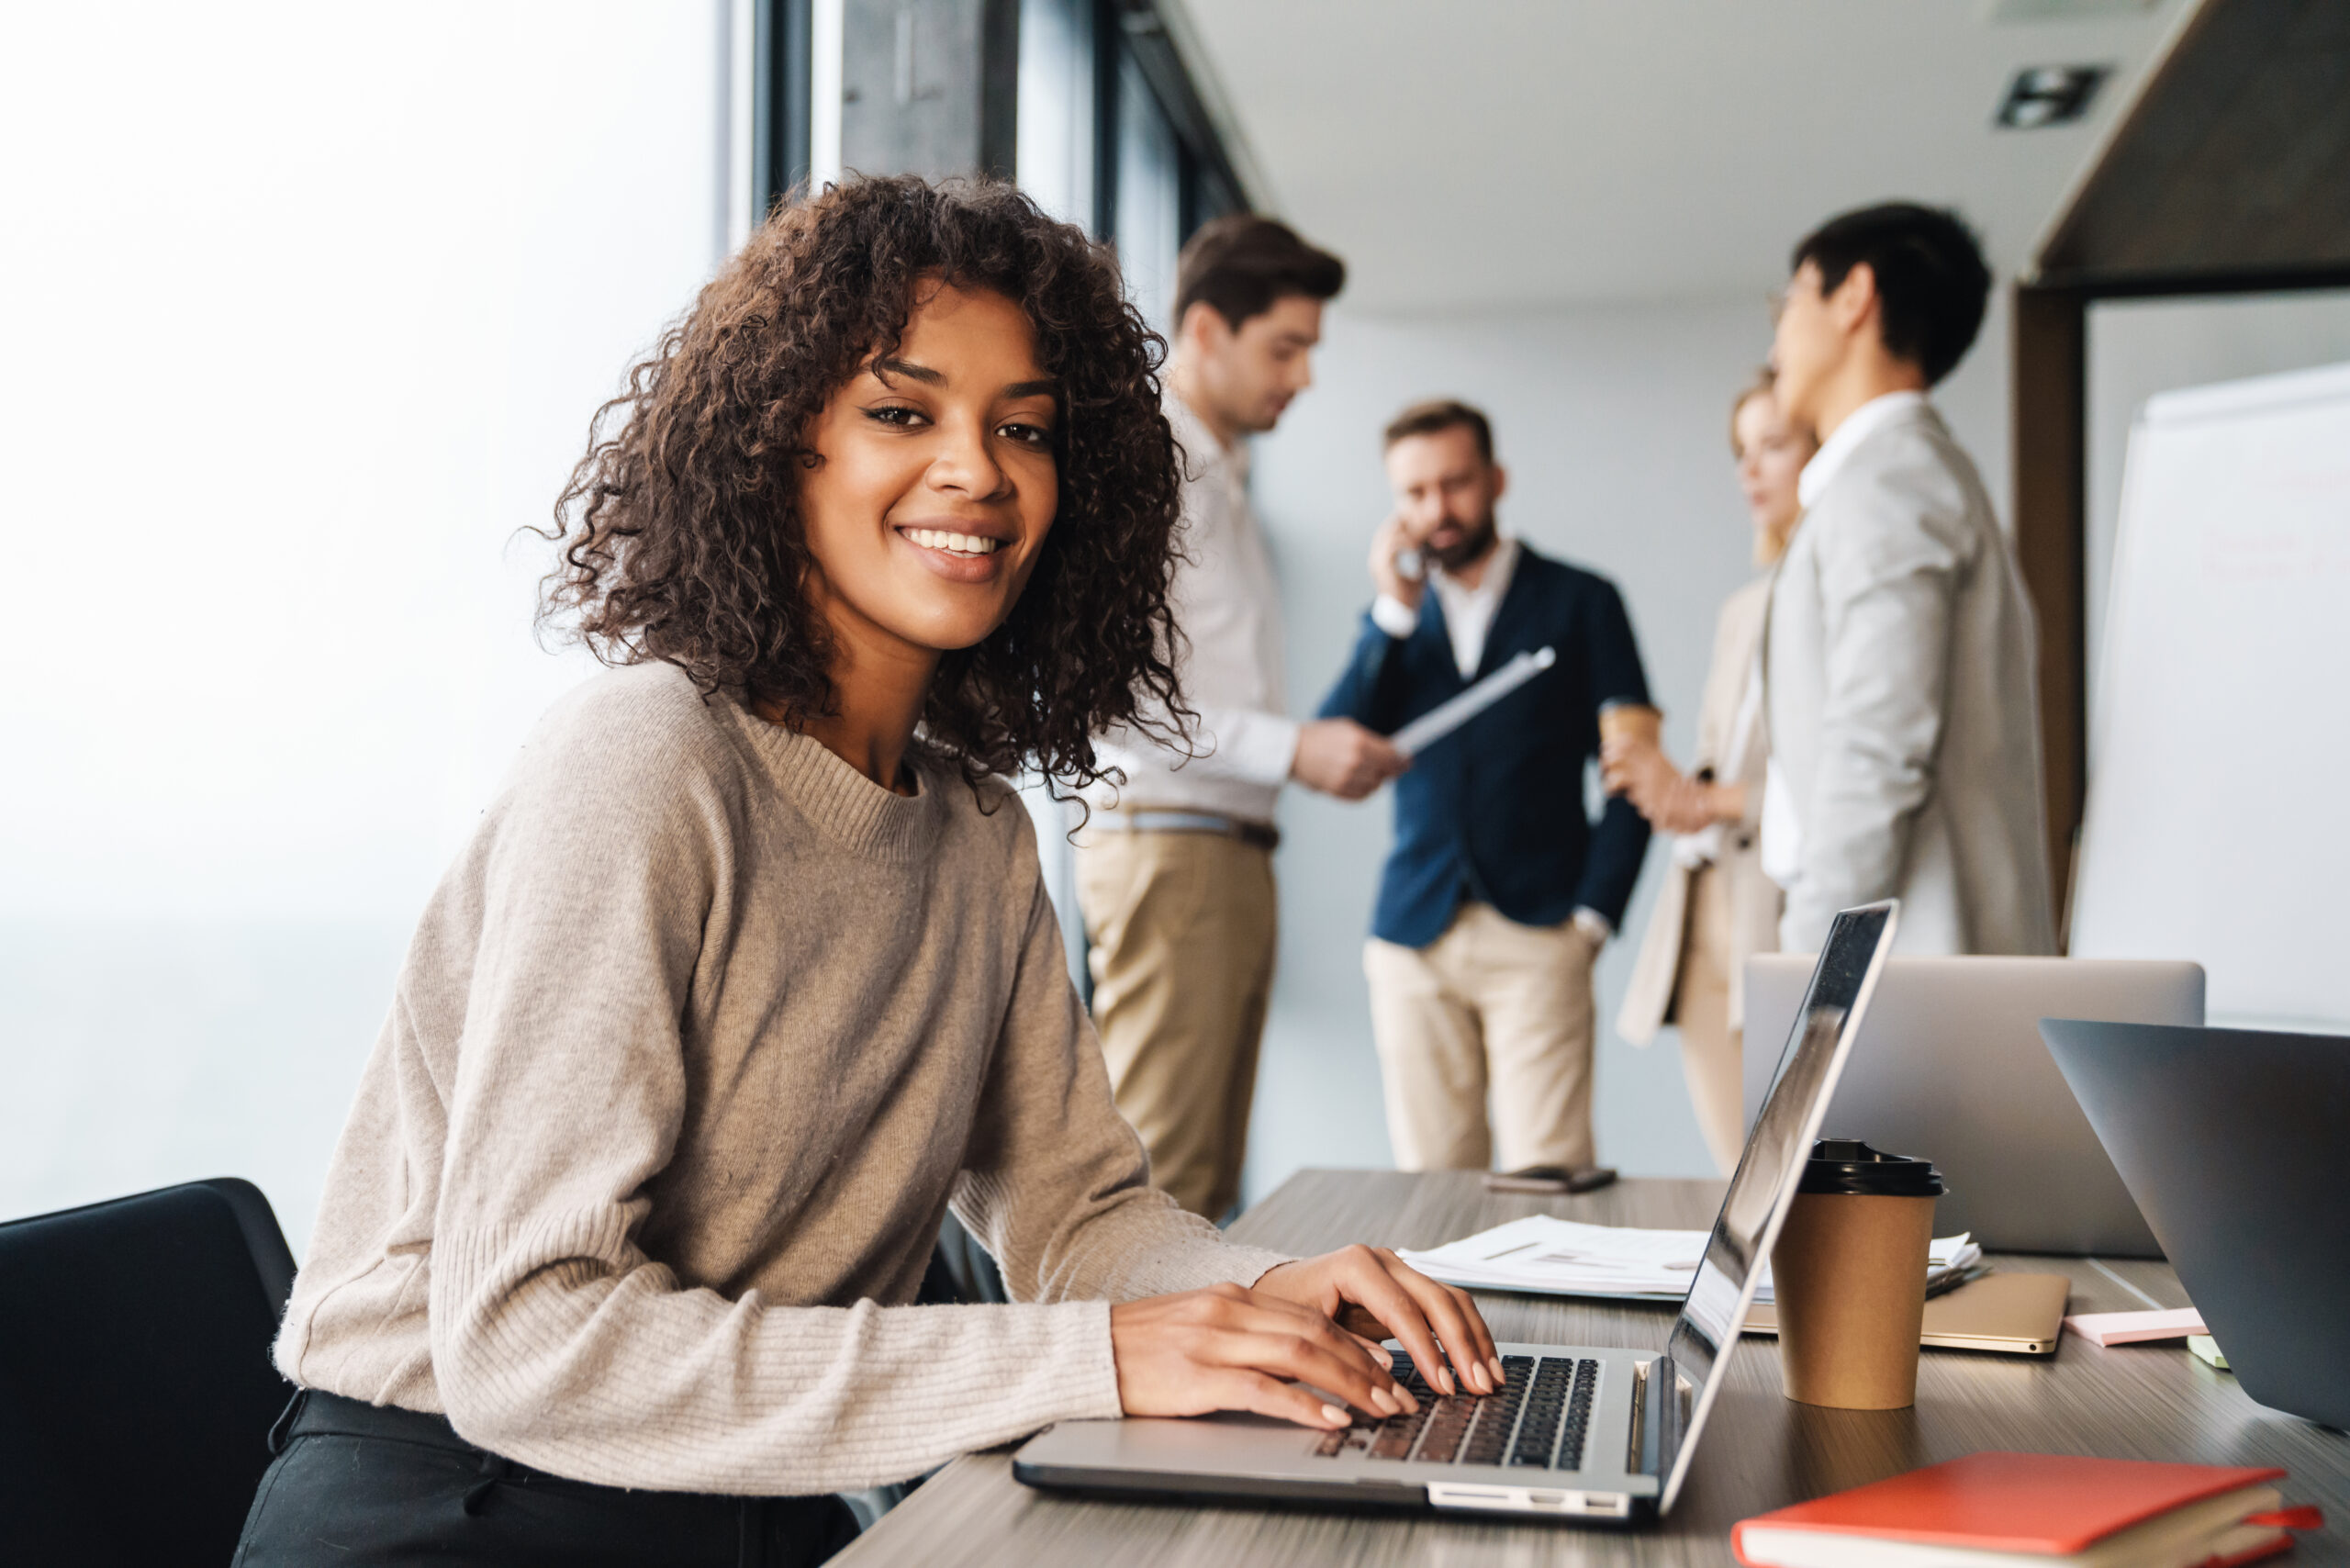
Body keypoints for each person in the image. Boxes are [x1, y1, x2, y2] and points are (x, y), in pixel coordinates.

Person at [235, 177, 1500, 1568]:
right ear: (784, 448)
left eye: (1025, 429)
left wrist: (1267, 1291)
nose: (980, 469)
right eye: (904, 413)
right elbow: (528, 1339)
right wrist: (1091, 1363)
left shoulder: (976, 835)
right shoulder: (648, 759)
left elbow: (1078, 1217)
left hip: (753, 1498)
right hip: (464, 1507)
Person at [1077, 215, 1401, 1222]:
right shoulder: (1159, 467)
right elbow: (1114, 697)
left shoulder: (1217, 473)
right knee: (1162, 1186)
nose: (1302, 377)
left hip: (1217, 849)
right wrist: (1292, 747)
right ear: (1207, 331)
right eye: (1285, 347)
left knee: (1201, 1186)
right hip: (1176, 848)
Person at [1318, 399, 1651, 1180]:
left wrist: (1594, 917)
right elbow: (1333, 748)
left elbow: (1636, 770)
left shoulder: (1582, 600)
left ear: (1495, 480)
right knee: (1433, 1189)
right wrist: (1390, 616)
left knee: (1551, 1179)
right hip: (1413, 936)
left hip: (1540, 931)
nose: (1438, 509)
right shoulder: (1397, 622)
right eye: (1415, 493)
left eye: (1456, 483)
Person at [1761, 202, 2055, 956]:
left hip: (1905, 965)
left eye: (1790, 302)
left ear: (1854, 296)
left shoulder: (1891, 481)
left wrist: (1808, 954)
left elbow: (1879, 742)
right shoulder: (1906, 475)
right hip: (1915, 959)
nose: (1778, 339)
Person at [1606, 372, 1816, 1174]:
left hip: (1780, 911)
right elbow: (1719, 766)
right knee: (1741, 1179)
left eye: (1773, 445)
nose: (1749, 471)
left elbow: (1843, 784)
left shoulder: (1837, 602)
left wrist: (1702, 798)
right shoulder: (1745, 608)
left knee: (1794, 1181)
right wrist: (1663, 783)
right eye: (1741, 451)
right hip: (1699, 918)